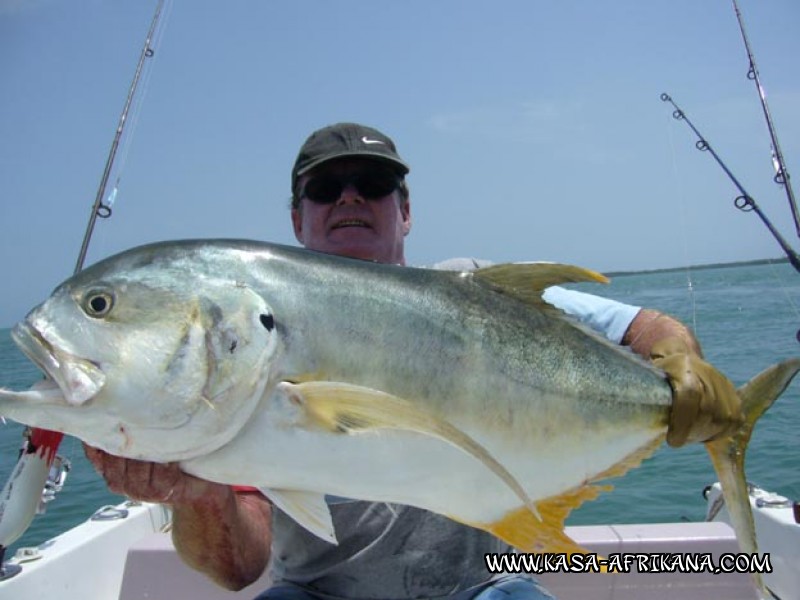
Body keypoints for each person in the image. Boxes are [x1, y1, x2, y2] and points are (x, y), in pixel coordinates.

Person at [85, 122, 742, 599]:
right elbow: (238, 570)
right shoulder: (257, 335)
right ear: (297, 219)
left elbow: (645, 326)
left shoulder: (477, 290)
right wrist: (198, 498)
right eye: (325, 189)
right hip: (317, 593)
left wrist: (680, 368)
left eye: (371, 184)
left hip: (486, 587)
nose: (348, 198)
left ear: (405, 211)